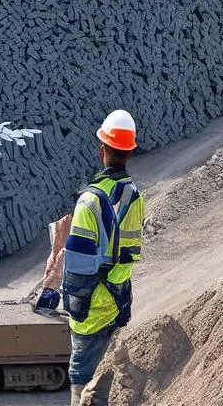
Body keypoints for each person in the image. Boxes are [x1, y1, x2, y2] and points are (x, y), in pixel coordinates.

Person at [58, 109, 144, 406]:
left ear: (102, 150)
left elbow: (78, 267)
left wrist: (74, 307)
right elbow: (129, 250)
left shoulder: (90, 201)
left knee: (80, 375)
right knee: (104, 379)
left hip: (92, 306)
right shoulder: (135, 195)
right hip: (117, 300)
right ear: (129, 153)